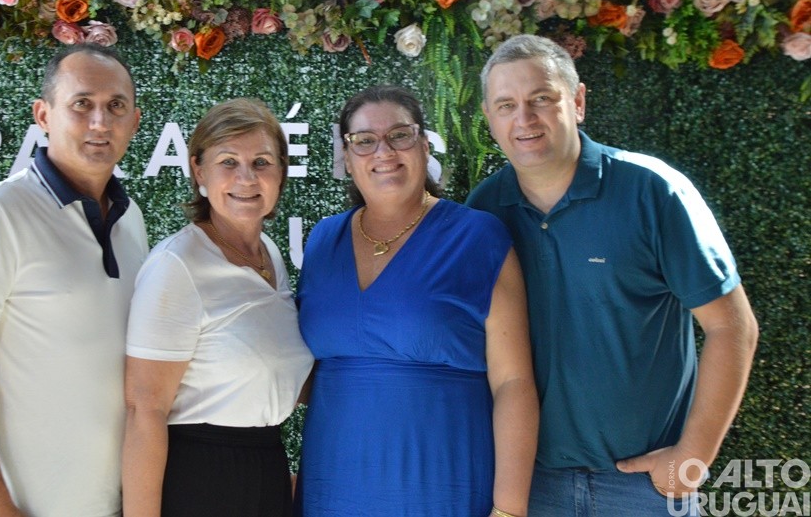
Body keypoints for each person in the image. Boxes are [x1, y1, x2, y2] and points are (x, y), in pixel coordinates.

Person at [465, 34, 759, 515]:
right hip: (529, 485)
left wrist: (693, 457)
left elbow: (732, 327)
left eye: (542, 99)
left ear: (577, 101)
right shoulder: (483, 211)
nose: (525, 119)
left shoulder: (654, 193)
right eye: (506, 105)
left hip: (642, 487)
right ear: (489, 119)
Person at [0, 43, 149, 517]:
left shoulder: (133, 222)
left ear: (135, 121)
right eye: (81, 104)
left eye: (116, 107)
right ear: (43, 115)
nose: (99, 123)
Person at [296, 85, 538, 517]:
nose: (383, 152)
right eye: (364, 141)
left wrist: (509, 509)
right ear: (347, 160)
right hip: (332, 487)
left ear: (425, 147)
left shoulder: (478, 236)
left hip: (445, 486)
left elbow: (514, 383)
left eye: (400, 135)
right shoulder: (321, 240)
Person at [122, 97, 314, 517]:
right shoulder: (177, 265)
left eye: (262, 162)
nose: (247, 178)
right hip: (199, 480)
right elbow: (143, 411)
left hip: (265, 467)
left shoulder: (270, 256)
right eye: (228, 161)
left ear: (281, 172)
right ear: (198, 170)